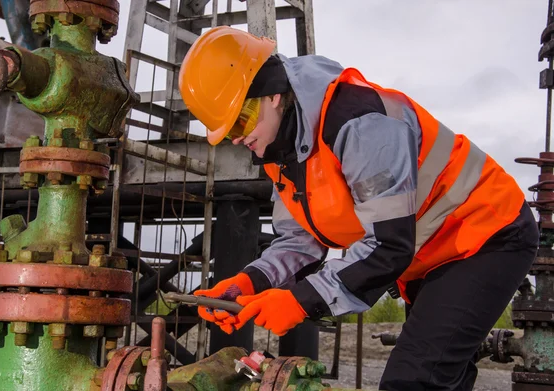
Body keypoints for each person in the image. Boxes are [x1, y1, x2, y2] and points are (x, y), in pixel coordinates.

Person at [178, 26, 538, 391]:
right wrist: (249, 282)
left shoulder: (359, 122)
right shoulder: (281, 150)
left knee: (412, 381)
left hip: (484, 234)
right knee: (440, 375)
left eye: (240, 121)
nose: (238, 139)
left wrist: (301, 301)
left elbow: (388, 245)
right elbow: (300, 240)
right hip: (427, 252)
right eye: (226, 134)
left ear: (271, 94)